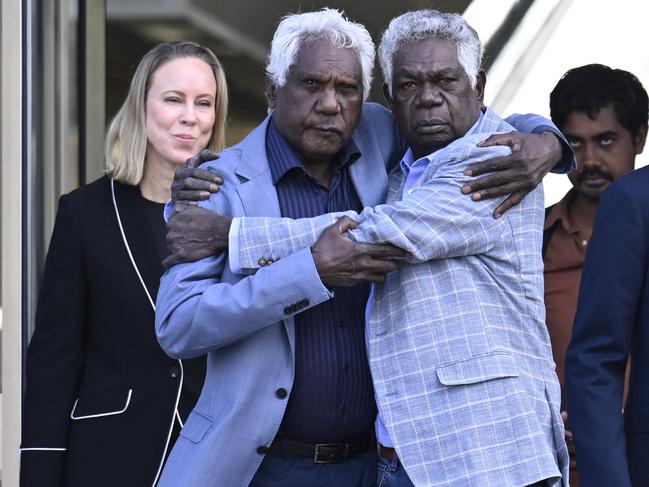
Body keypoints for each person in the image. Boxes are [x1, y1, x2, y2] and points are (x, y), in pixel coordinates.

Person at [156, 10, 571, 487]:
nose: (330, 104)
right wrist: (306, 273)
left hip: (384, 462)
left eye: (347, 89)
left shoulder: (387, 138)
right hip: (263, 462)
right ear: (273, 90)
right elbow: (178, 326)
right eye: (311, 83)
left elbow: (475, 122)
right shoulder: (219, 184)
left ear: (367, 98)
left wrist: (548, 142)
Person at [19, 41, 228, 487]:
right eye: (173, 99)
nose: (190, 115)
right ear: (141, 106)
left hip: (213, 457)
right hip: (109, 456)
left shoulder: (237, 215)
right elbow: (53, 358)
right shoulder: (85, 213)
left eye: (204, 102)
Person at [543, 64, 648, 485]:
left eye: (605, 141)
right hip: (557, 464)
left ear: (639, 137)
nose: (589, 161)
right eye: (575, 144)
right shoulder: (530, 244)